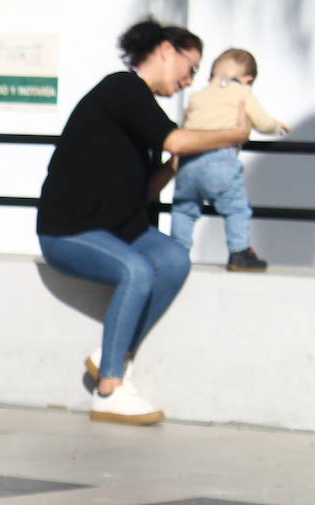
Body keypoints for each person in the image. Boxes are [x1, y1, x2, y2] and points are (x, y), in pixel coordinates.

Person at [37, 17, 250, 426]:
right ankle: (109, 389)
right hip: (68, 232)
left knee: (174, 259)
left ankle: (107, 357)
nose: (190, 80)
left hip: (118, 232)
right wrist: (232, 132)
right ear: (167, 50)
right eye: (191, 68)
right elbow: (174, 138)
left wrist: (173, 166)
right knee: (136, 271)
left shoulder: (141, 109)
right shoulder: (122, 88)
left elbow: (147, 191)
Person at [170, 48, 288, 271]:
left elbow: (186, 125)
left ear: (212, 74)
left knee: (184, 209)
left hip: (189, 161)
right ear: (247, 79)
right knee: (236, 209)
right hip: (220, 160)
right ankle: (239, 252)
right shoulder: (241, 92)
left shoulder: (198, 95)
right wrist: (276, 127)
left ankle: (177, 253)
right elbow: (262, 122)